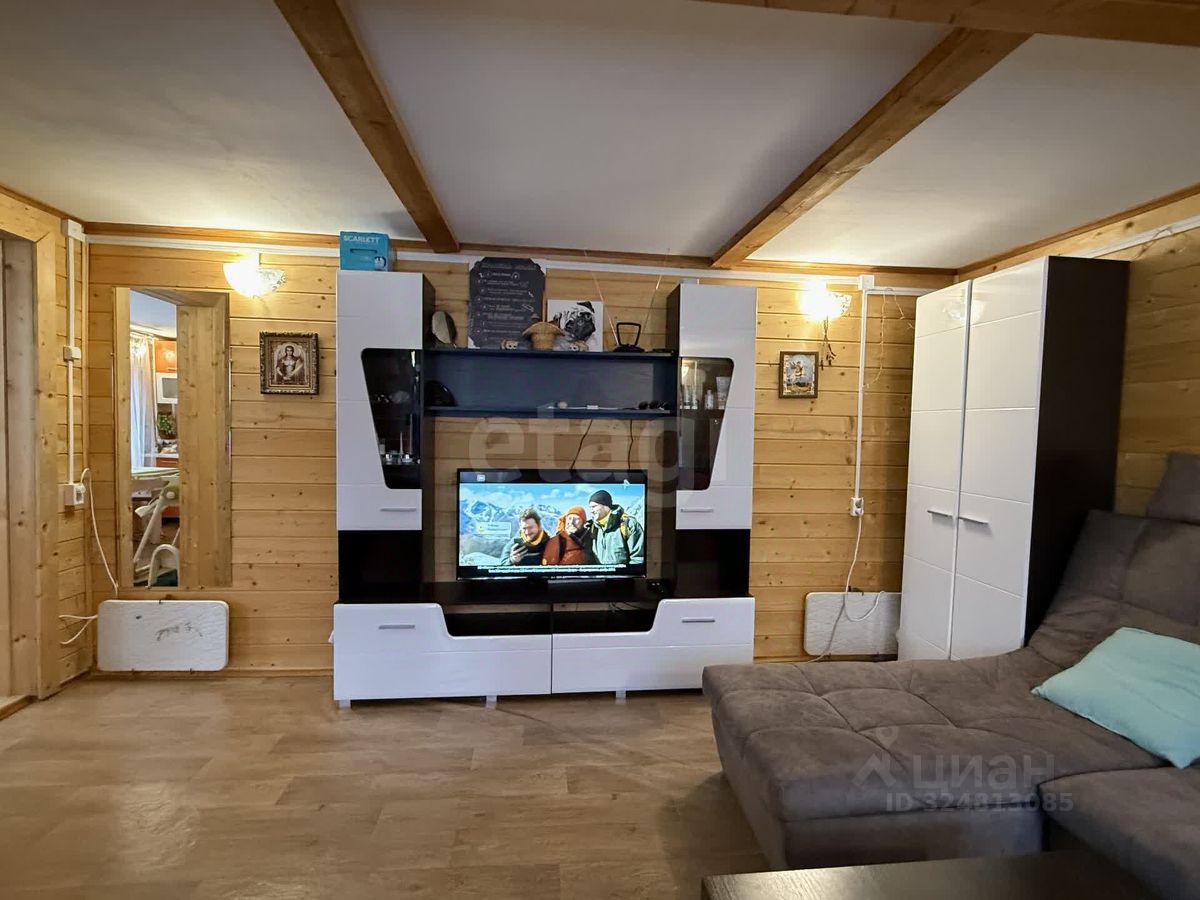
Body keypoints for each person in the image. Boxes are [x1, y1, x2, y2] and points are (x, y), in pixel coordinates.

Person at [582, 490, 645, 567]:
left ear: (605, 506)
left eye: (594, 506)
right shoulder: (593, 527)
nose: (591, 511)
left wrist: (630, 573)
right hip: (600, 573)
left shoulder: (628, 524)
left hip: (623, 574)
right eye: (590, 507)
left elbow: (638, 558)